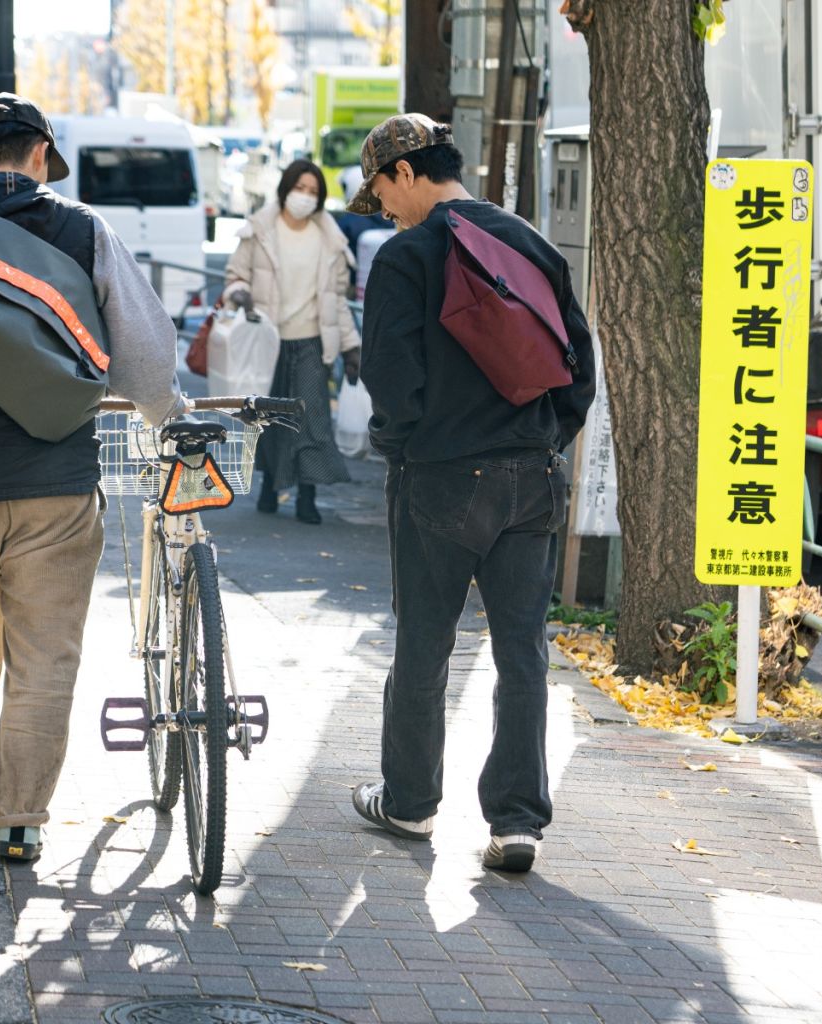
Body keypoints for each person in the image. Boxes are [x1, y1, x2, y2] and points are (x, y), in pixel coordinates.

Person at [0, 93, 187, 862]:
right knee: (47, 656)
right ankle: (21, 818)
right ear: (44, 156)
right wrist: (169, 417)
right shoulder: (86, 231)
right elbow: (147, 364)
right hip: (58, 479)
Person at [346, 114, 595, 873]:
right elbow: (577, 364)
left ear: (408, 172)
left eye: (382, 191)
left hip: (442, 477)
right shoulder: (528, 243)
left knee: (425, 641)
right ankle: (517, 823)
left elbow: (389, 376)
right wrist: (546, 441)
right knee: (523, 651)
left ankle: (411, 804)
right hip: (532, 475)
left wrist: (407, 442)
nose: (384, 208)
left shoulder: (407, 255)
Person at [222, 159, 360, 525]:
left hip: (313, 342)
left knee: (312, 420)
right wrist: (240, 295)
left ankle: (307, 496)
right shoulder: (259, 231)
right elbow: (235, 276)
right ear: (285, 189)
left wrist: (351, 346)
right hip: (267, 342)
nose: (305, 197)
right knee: (267, 419)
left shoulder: (330, 239)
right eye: (300, 188)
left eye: (314, 192)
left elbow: (337, 301)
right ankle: (269, 485)